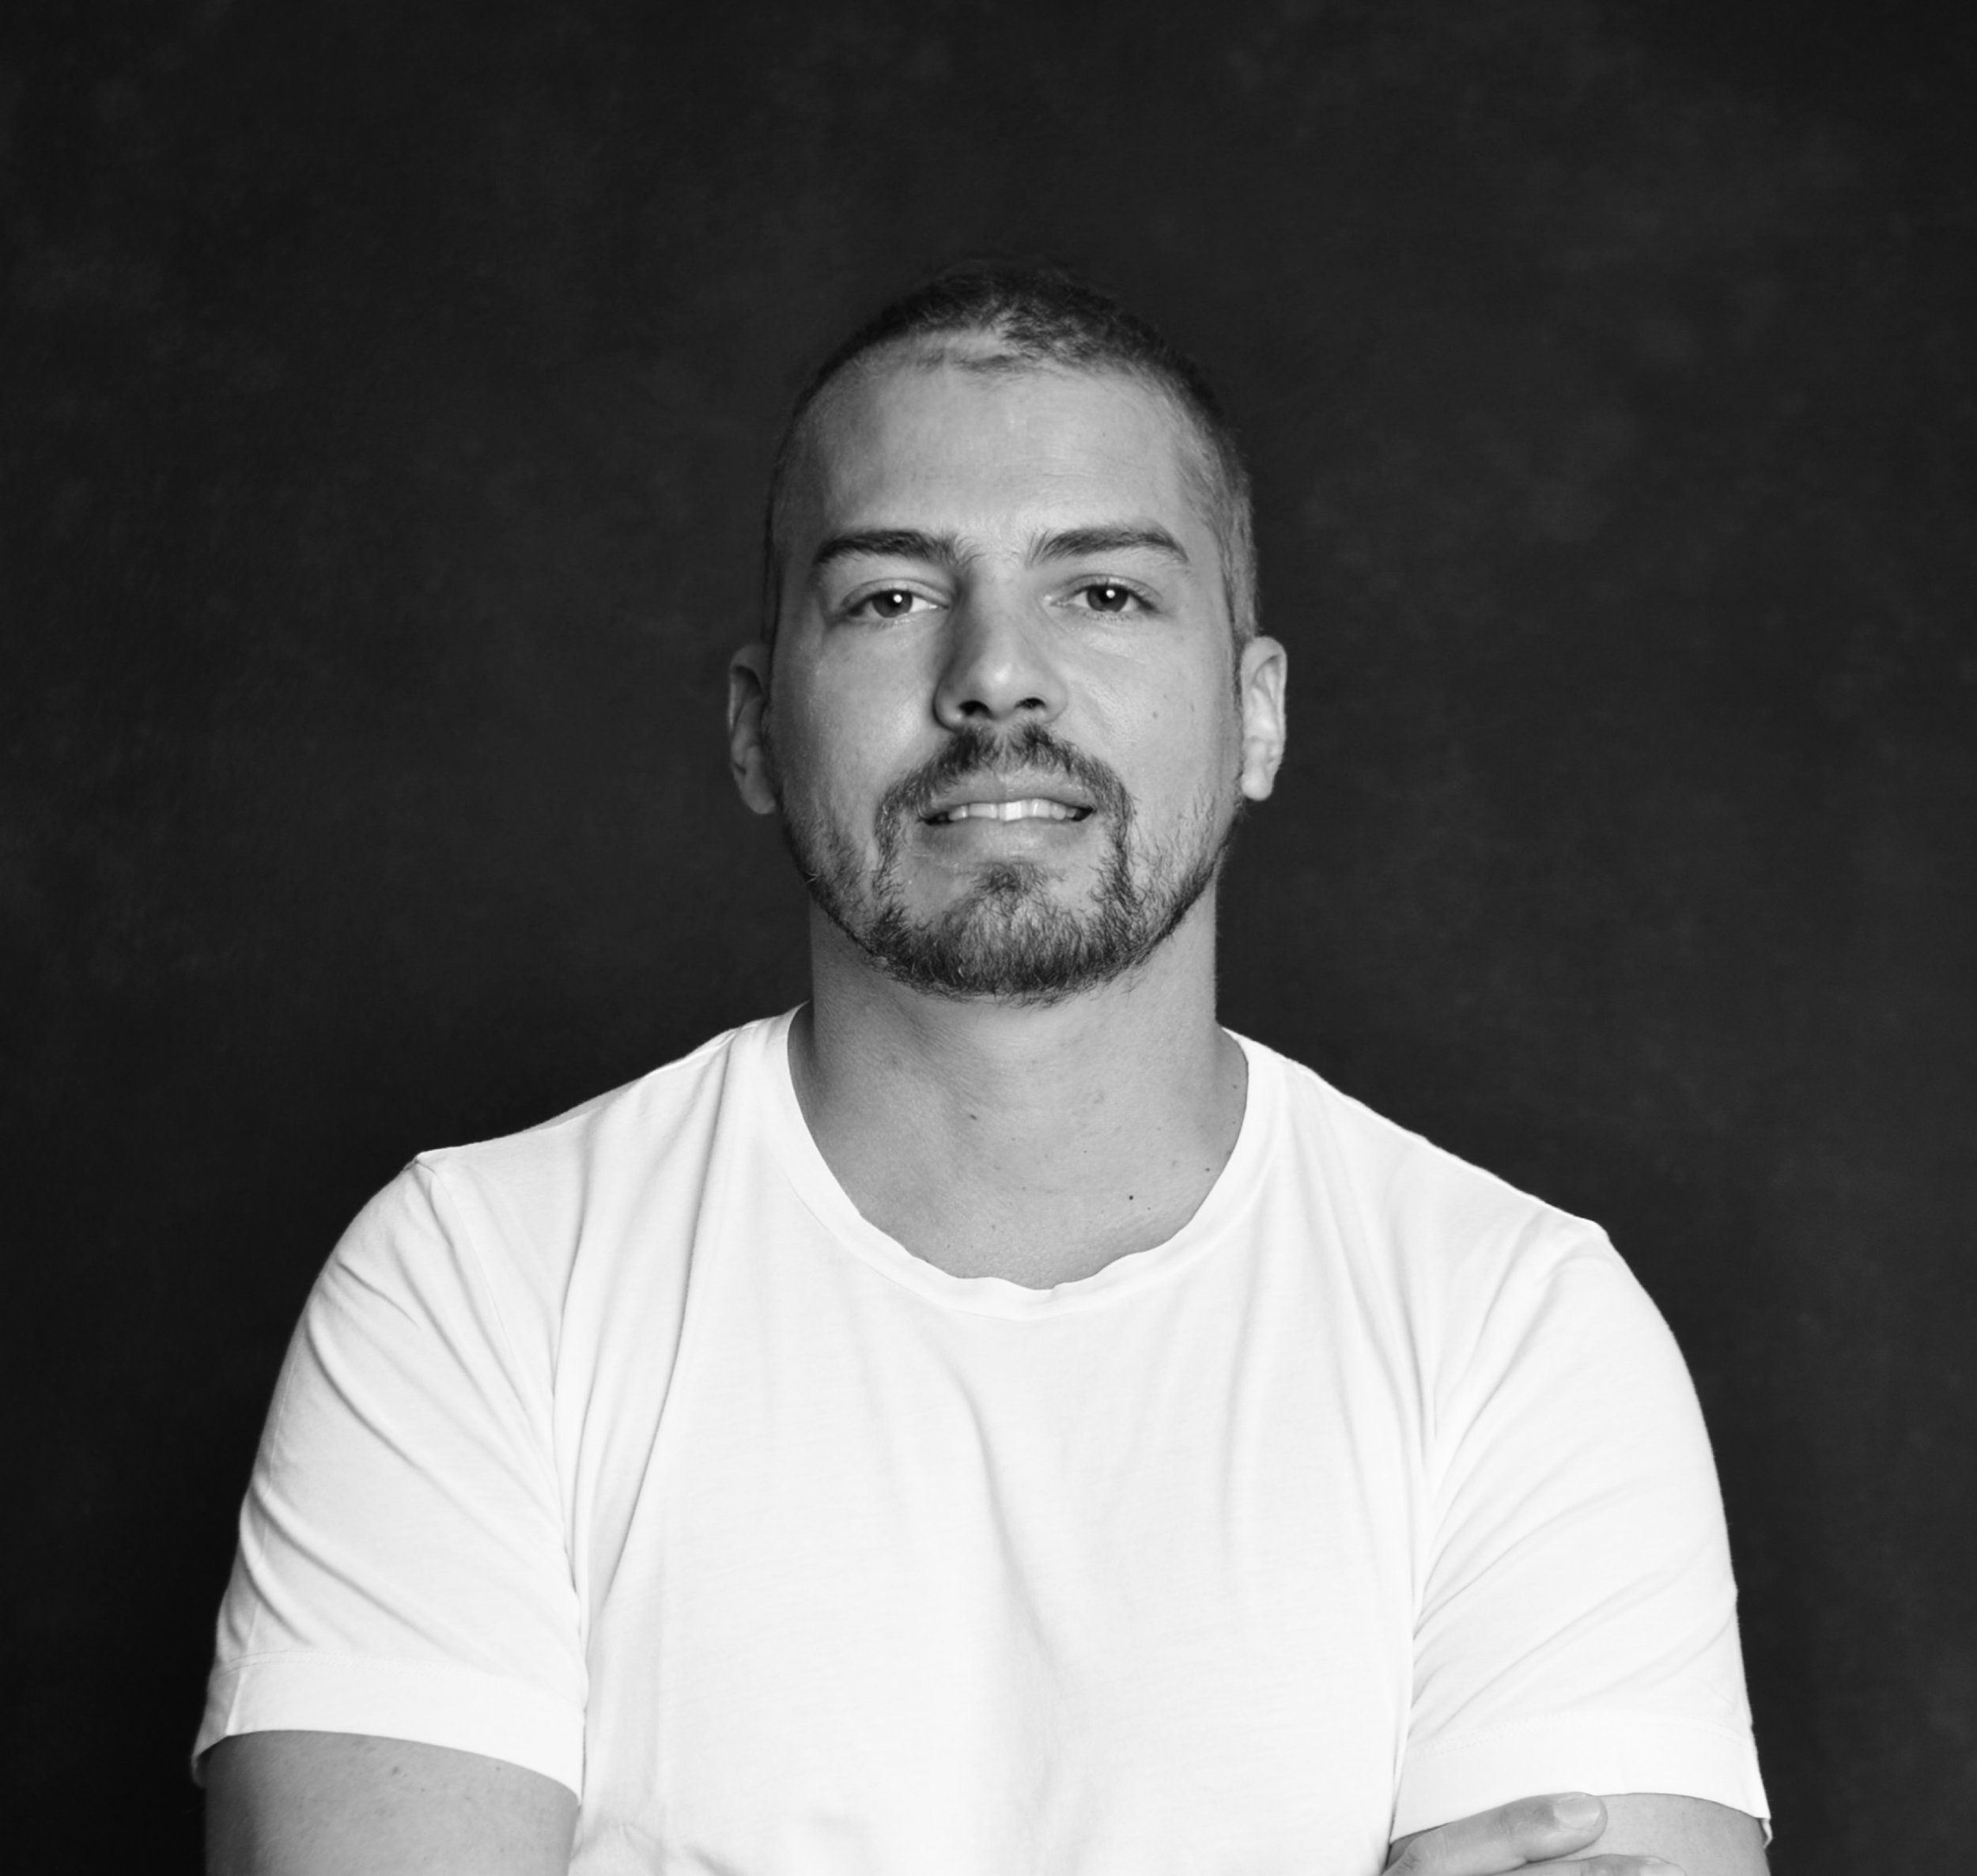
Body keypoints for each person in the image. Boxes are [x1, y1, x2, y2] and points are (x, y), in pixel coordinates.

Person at [196, 265, 1771, 1875]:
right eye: (888, 595)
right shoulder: (477, 1283)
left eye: (1102, 592)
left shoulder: (1515, 1328)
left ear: (1254, 714)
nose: (994, 675)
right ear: (755, 724)